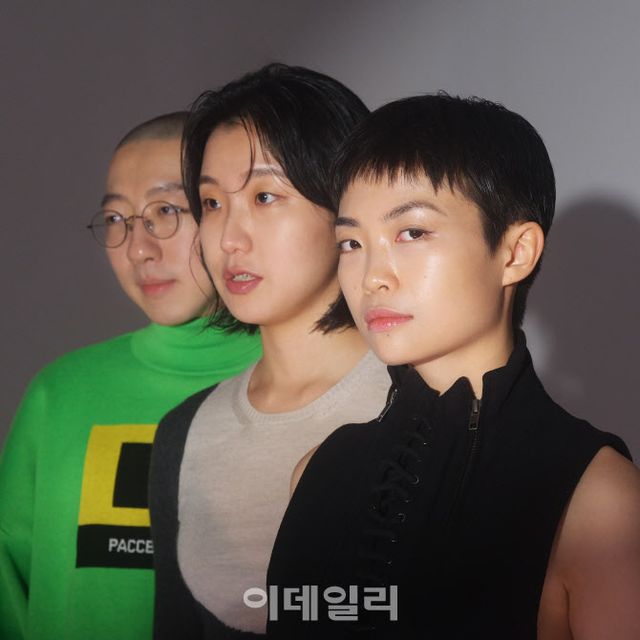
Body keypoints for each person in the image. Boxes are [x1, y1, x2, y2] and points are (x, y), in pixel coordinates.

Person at [267, 94, 640, 639]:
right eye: (351, 242)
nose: (372, 276)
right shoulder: (321, 468)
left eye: (412, 233)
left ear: (516, 252)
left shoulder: (598, 497)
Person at [149, 64, 392, 639]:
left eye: (264, 196)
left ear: (345, 204)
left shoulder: (433, 406)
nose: (229, 239)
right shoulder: (182, 433)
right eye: (211, 203)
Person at [0, 112, 262, 640]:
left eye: (166, 211)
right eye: (117, 219)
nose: (138, 248)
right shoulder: (60, 391)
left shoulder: (302, 383)